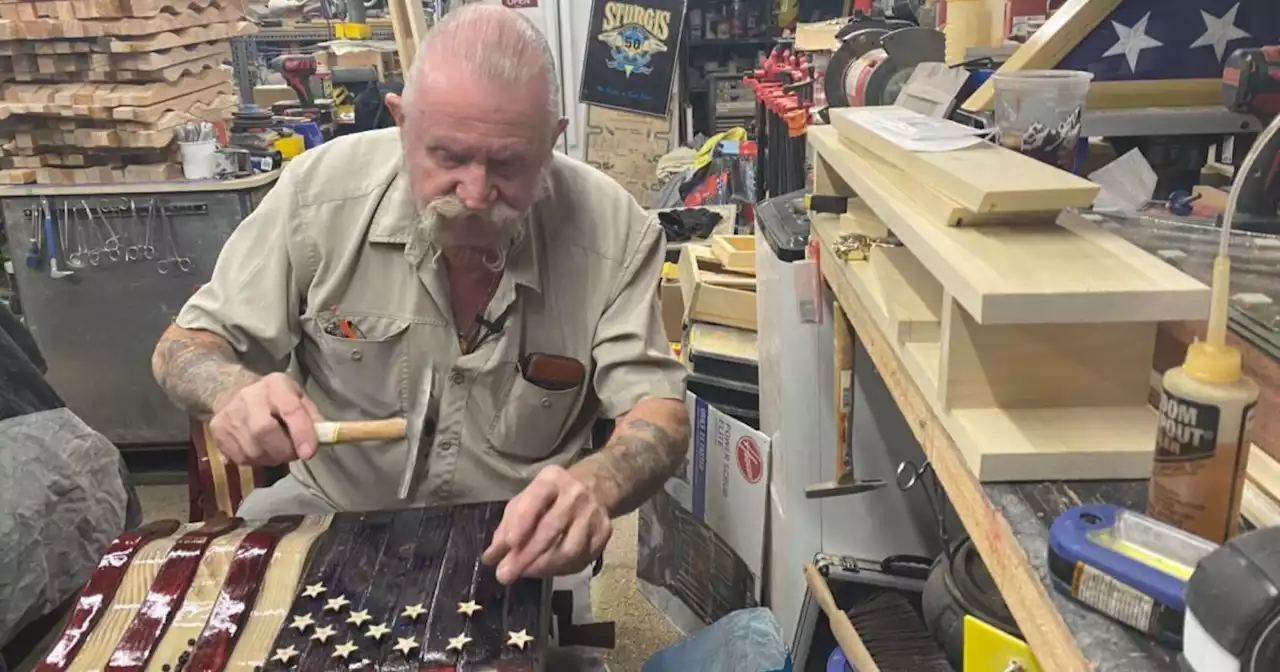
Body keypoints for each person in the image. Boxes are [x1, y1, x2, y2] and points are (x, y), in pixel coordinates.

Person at [150, 4, 689, 588]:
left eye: (509, 163)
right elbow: (185, 346)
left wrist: (595, 486)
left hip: (516, 545)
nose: (477, 193)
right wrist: (234, 390)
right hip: (333, 514)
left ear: (554, 140)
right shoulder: (318, 198)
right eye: (449, 157)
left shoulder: (616, 234)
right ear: (402, 122)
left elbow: (657, 413)